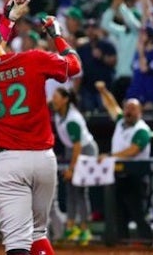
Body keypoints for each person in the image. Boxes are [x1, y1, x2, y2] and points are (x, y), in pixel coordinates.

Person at [0, 13, 81, 255]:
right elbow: (74, 66)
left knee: (17, 242)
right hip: (44, 159)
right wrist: (57, 36)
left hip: (8, 162)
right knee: (38, 233)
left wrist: (7, 22)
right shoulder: (33, 59)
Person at [94, 80, 153, 243]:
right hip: (118, 175)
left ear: (140, 112)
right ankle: (122, 245)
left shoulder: (142, 129)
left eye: (133, 109)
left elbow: (133, 150)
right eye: (127, 108)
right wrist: (104, 90)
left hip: (136, 177)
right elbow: (112, 106)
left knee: (138, 214)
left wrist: (111, 156)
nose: (128, 112)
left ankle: (148, 245)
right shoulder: (121, 122)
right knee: (119, 214)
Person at [50, 87, 96, 245]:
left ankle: (85, 230)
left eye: (56, 97)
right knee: (70, 189)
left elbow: (78, 146)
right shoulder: (58, 113)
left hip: (85, 150)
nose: (53, 99)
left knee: (80, 190)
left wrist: (71, 168)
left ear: (65, 99)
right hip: (72, 150)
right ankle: (71, 227)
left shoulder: (72, 119)